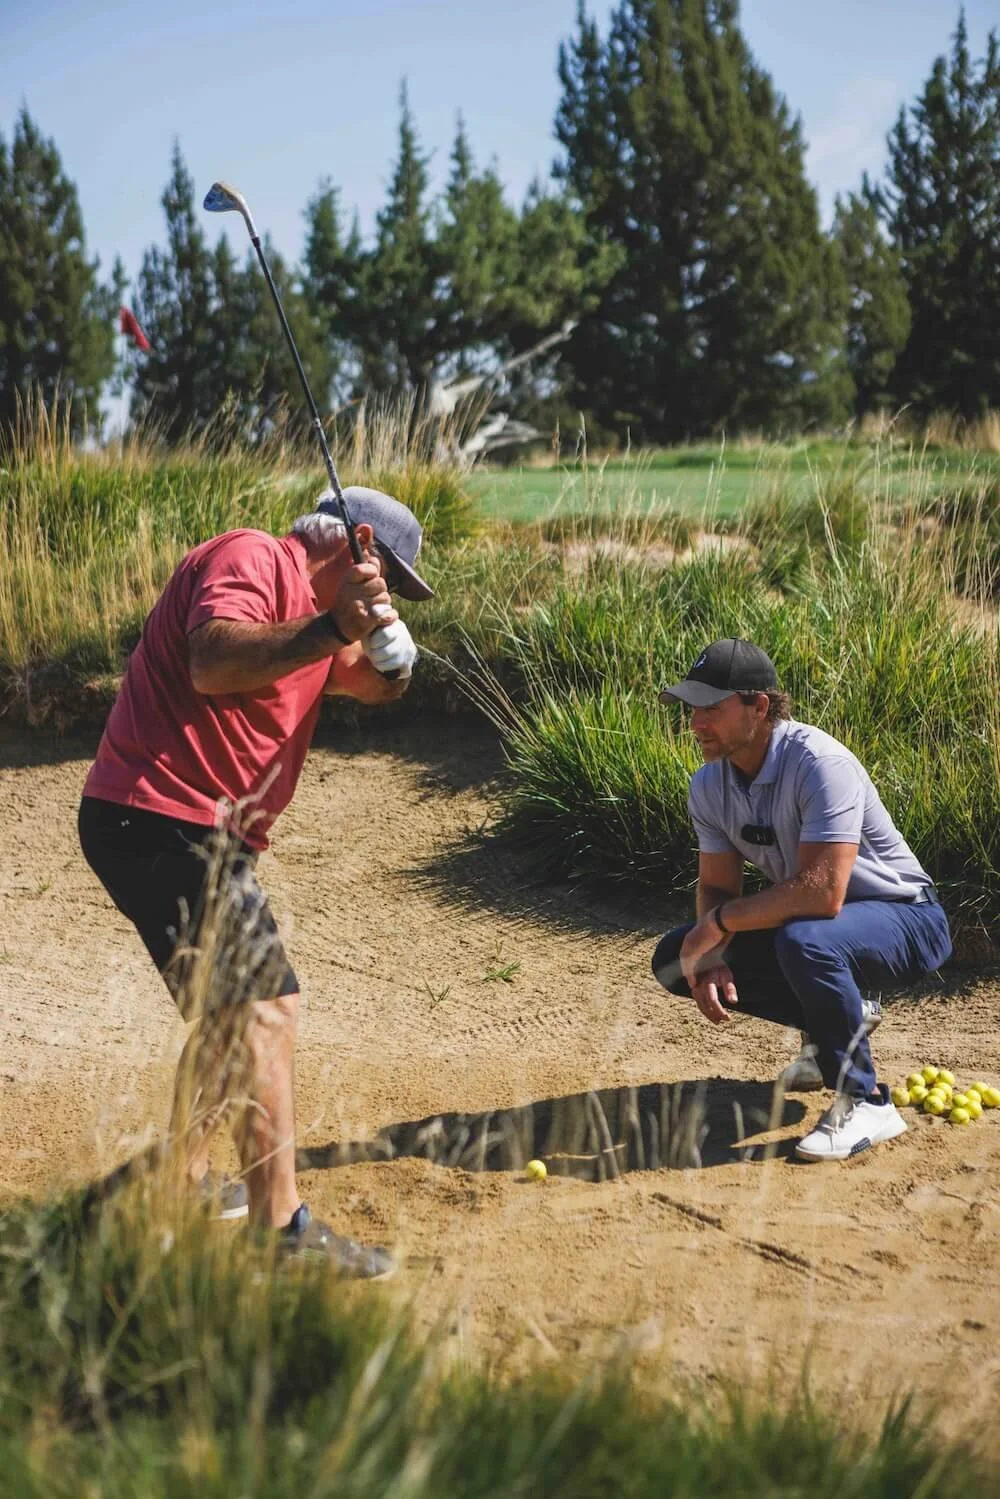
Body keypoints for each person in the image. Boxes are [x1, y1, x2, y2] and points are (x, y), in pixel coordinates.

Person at [78, 486, 434, 1274]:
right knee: (268, 1006)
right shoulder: (255, 556)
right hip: (162, 815)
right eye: (390, 578)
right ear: (357, 545)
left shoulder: (314, 625)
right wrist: (334, 626)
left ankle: (178, 1182)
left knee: (229, 1015)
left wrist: (388, 660)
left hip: (190, 831)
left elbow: (361, 682)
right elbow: (212, 661)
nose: (391, 594)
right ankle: (281, 1231)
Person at [650, 639, 952, 1162]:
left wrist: (719, 923)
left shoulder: (819, 762)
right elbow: (719, 886)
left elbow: (822, 890)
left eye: (712, 709)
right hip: (823, 929)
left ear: (759, 706)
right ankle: (835, 1022)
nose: (696, 722)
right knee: (677, 959)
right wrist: (713, 952)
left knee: (804, 938)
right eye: (692, 709)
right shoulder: (709, 784)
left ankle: (866, 1101)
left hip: (908, 919)